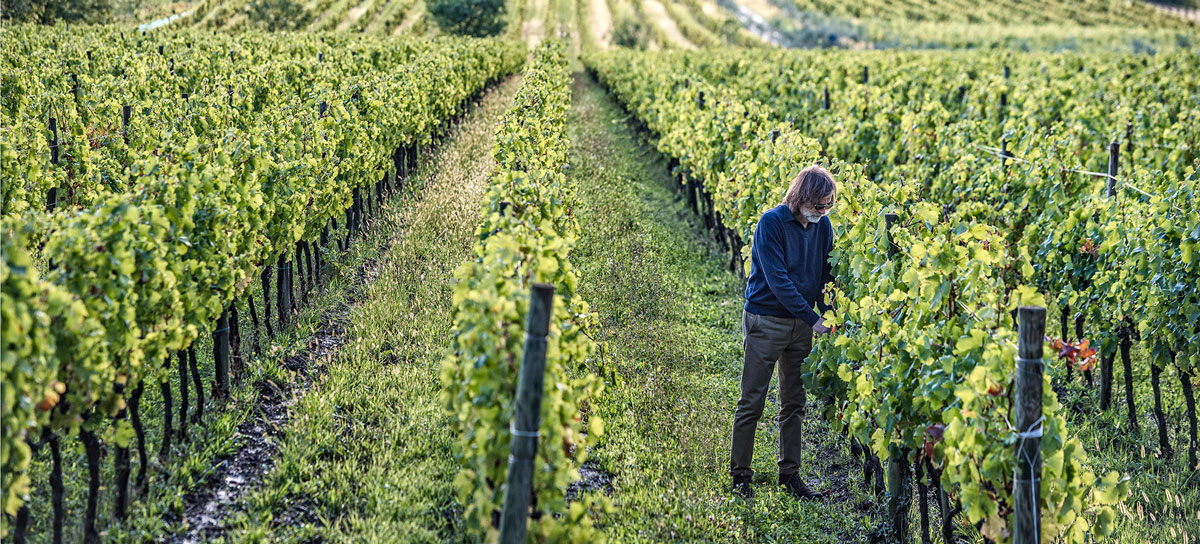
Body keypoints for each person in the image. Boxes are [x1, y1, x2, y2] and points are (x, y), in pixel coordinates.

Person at [730, 165, 837, 500]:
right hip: (767, 320)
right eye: (819, 205)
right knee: (753, 400)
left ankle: (790, 475)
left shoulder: (823, 226)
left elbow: (824, 274)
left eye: (828, 206)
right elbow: (778, 281)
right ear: (801, 196)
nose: (823, 212)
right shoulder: (771, 223)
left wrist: (829, 311)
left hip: (801, 325)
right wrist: (813, 317)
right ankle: (740, 476)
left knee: (794, 402)